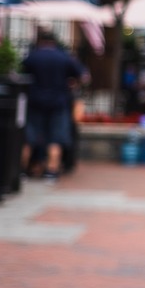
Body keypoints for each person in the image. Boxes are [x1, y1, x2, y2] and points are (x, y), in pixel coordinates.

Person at [20, 28, 88, 182]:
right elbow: (84, 76)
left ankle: (22, 170)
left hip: (35, 102)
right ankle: (51, 171)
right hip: (59, 102)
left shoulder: (32, 57)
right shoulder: (64, 58)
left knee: (29, 138)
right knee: (56, 138)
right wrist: (72, 83)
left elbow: (21, 76)